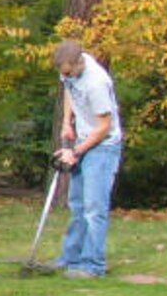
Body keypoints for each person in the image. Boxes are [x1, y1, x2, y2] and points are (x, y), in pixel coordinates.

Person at [52, 38, 124, 279]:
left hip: (103, 147)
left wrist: (77, 151)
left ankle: (93, 265)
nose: (67, 77)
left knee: (94, 209)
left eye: (70, 73)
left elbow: (104, 127)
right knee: (78, 205)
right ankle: (70, 258)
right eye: (64, 74)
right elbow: (69, 93)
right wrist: (66, 123)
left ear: (79, 63)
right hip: (83, 138)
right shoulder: (69, 72)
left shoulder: (97, 83)